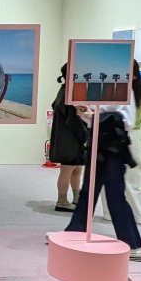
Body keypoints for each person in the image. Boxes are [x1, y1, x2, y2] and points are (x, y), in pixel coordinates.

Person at [62, 97, 141, 261]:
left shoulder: (123, 90)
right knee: (88, 192)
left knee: (114, 195)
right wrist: (88, 113)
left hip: (112, 146)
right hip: (98, 142)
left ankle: (132, 244)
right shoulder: (107, 90)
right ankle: (74, 233)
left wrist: (92, 115)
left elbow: (126, 121)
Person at [102, 60, 141, 224]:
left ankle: (110, 213)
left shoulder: (116, 90)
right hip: (133, 135)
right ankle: (137, 215)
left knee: (110, 174)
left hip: (116, 133)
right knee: (133, 176)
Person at [48, 63, 87, 212]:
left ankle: (76, 198)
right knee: (67, 169)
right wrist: (84, 134)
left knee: (76, 168)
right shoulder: (69, 94)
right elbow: (73, 119)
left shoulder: (64, 91)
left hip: (69, 137)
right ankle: (62, 201)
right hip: (69, 138)